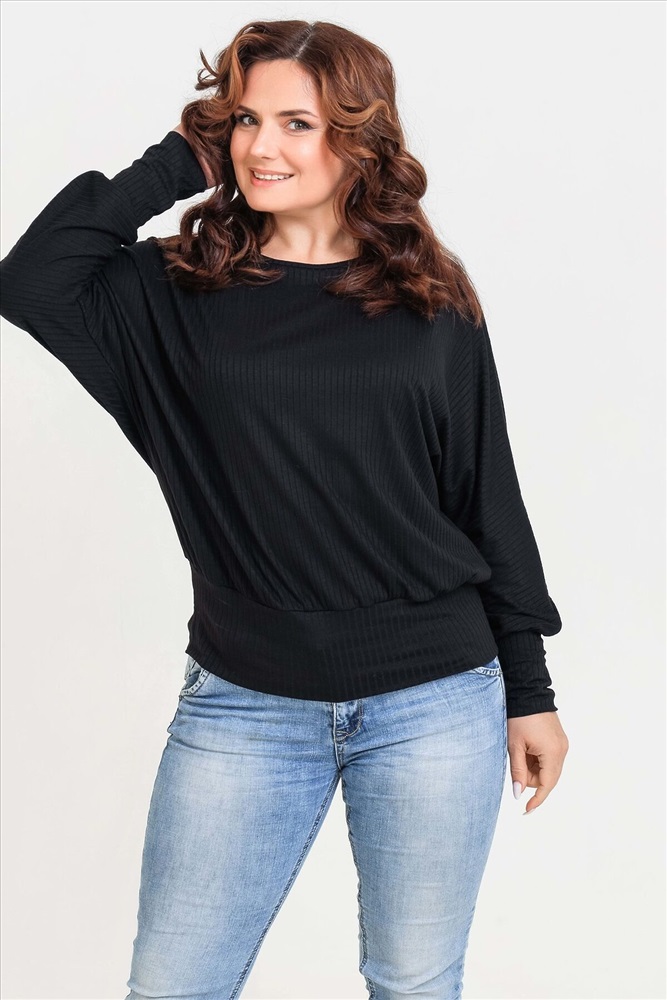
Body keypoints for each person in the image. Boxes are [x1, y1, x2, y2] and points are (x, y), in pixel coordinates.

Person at [0, 17, 570, 1000]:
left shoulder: (429, 299)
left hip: (435, 698)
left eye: (296, 123)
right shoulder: (171, 292)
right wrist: (176, 159)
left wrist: (530, 685)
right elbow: (30, 280)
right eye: (245, 119)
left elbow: (487, 497)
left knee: (414, 983)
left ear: (357, 138)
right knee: (173, 985)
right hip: (245, 701)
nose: (261, 146)